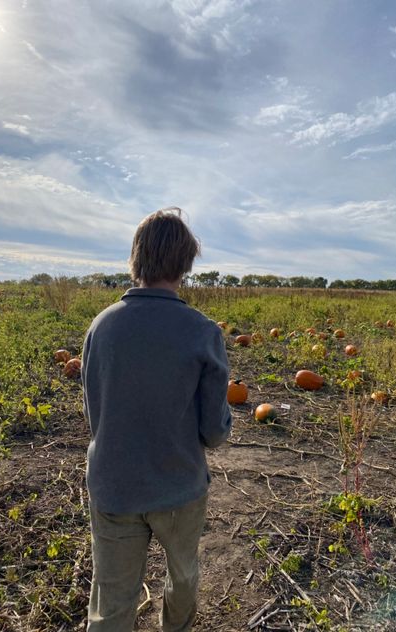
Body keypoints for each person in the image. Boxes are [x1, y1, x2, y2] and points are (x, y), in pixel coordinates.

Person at [81, 207, 232, 632]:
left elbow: (96, 413)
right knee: (182, 578)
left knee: (111, 598)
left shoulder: (101, 327)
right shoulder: (203, 332)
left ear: (136, 259)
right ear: (186, 263)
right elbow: (214, 432)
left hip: (114, 486)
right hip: (179, 489)